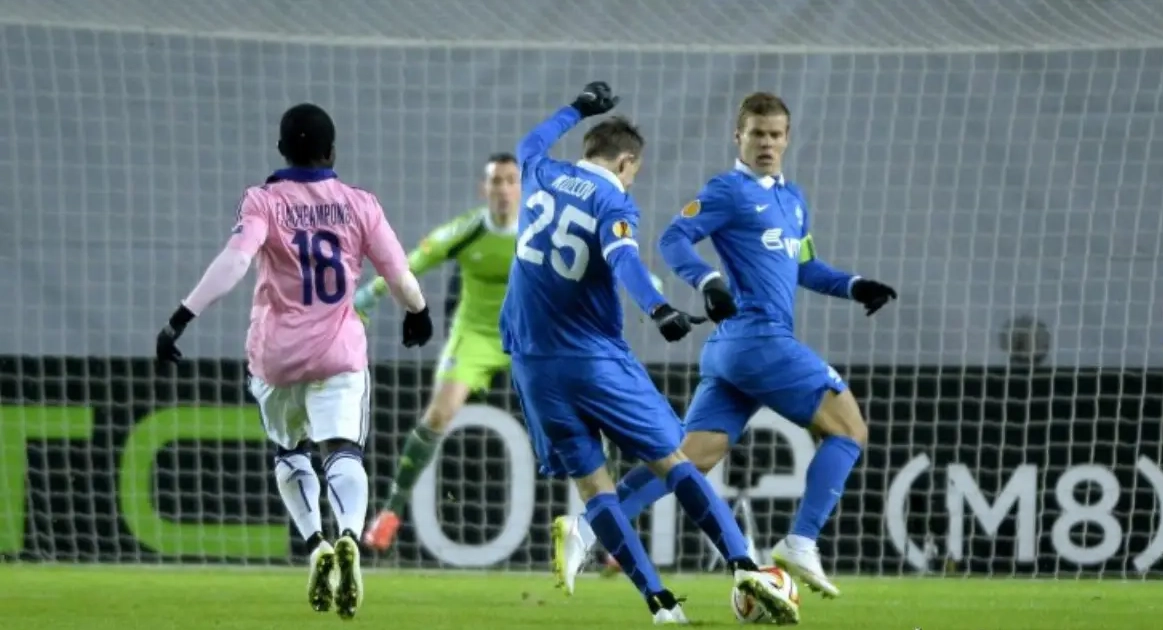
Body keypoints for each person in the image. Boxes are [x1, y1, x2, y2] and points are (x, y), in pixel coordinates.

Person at [553, 92, 898, 601]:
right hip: (758, 340)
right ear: (739, 137)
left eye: (775, 134)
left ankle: (586, 529)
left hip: (733, 354)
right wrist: (708, 280)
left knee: (690, 460)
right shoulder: (728, 190)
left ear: (787, 139)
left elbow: (804, 267)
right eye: (757, 134)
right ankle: (801, 541)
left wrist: (855, 285)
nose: (766, 143)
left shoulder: (793, 200)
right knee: (850, 429)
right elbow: (673, 238)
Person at [502, 82, 800, 624]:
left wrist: (576, 108)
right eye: (633, 173)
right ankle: (744, 566)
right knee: (674, 461)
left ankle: (660, 605)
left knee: (595, 487)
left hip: (531, 365)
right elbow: (624, 261)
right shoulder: (612, 200)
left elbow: (530, 142)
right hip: (593, 360)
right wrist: (659, 309)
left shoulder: (539, 172)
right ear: (625, 163)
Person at [153, 103, 434, 620]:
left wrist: (181, 316)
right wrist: (418, 312)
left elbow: (236, 261)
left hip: (276, 358)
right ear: (333, 151)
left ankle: (315, 544)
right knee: (343, 452)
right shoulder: (360, 204)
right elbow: (397, 271)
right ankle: (348, 534)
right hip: (338, 354)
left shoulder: (263, 201)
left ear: (282, 150)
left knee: (290, 452)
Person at [354, 153, 521, 550]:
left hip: (529, 337)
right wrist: (371, 294)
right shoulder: (468, 230)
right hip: (476, 336)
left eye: (510, 181)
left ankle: (609, 529)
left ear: (521, 189)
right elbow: (412, 263)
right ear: (484, 189)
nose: (502, 190)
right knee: (438, 415)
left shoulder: (539, 232)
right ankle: (390, 513)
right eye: (495, 181)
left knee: (576, 419)